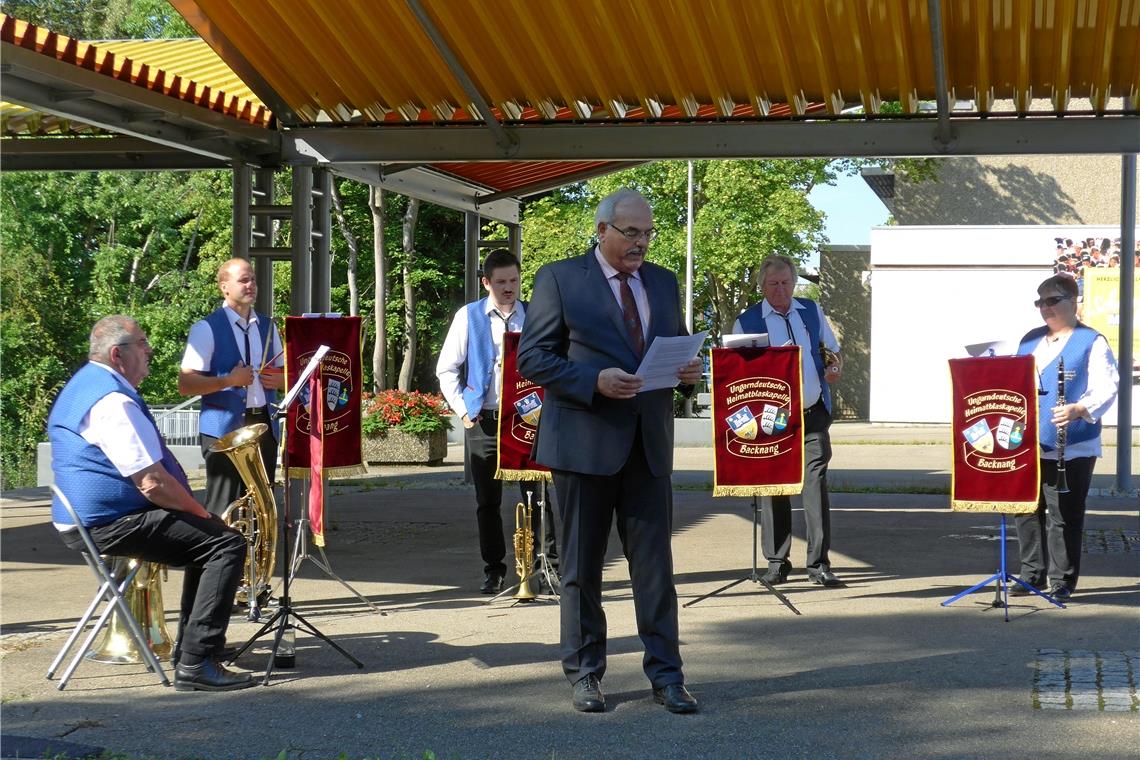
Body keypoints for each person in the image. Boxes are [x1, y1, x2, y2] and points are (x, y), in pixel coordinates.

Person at [518, 188, 703, 715]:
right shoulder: (559, 278)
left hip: (647, 447)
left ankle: (667, 677)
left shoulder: (664, 283)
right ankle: (584, 674)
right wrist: (591, 380)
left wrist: (690, 374)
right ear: (602, 231)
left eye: (647, 234)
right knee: (582, 566)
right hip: (584, 444)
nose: (640, 244)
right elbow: (532, 357)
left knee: (655, 570)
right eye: (631, 233)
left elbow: (676, 347)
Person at [48, 316, 253, 691]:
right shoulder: (111, 401)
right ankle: (197, 663)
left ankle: (193, 651)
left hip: (93, 518)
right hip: (107, 522)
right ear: (117, 354)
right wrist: (201, 512)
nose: (150, 351)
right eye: (142, 345)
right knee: (226, 542)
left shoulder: (86, 384)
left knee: (208, 541)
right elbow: (152, 483)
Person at [436, 249, 558, 595]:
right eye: (501, 282)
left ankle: (546, 565)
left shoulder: (537, 315)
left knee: (539, 495)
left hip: (530, 419)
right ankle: (494, 570)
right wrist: (463, 410)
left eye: (514, 281)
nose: (509, 288)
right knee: (487, 500)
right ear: (486, 282)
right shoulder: (468, 316)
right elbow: (446, 369)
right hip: (484, 420)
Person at [732, 254, 844, 587]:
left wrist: (835, 366)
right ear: (762, 286)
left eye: (786, 283)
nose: (780, 290)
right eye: (773, 284)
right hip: (773, 420)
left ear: (794, 283)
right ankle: (777, 562)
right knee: (774, 488)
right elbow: (739, 376)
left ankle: (819, 564)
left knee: (815, 487)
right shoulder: (747, 321)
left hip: (813, 414)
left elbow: (832, 350)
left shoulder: (811, 311)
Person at [1012, 275, 1119, 600]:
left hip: (1072, 446)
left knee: (1064, 515)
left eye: (1052, 300)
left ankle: (1062, 582)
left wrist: (1078, 408)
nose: (1045, 308)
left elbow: (1107, 385)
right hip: (1029, 441)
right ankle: (1031, 574)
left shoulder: (1092, 341)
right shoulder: (1030, 340)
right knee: (1026, 511)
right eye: (1040, 302)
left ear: (1074, 302)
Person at [179, 258, 285, 520]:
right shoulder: (206, 328)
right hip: (223, 429)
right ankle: (217, 560)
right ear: (224, 287)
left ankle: (256, 560)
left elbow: (286, 373)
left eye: (253, 279)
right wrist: (228, 380)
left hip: (263, 424)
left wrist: (282, 381)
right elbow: (186, 384)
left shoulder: (268, 326)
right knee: (223, 507)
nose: (251, 285)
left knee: (261, 507)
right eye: (243, 280)